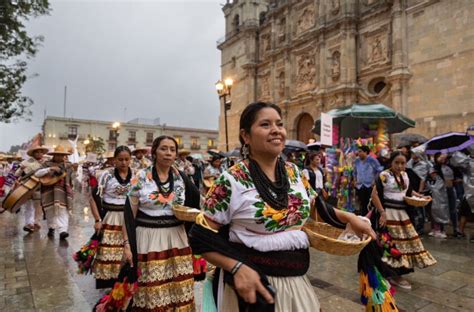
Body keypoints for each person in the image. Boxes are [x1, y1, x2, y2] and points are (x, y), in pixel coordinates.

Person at [190, 102, 375, 311]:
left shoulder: (293, 172)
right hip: (255, 287)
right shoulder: (231, 180)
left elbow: (317, 208)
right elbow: (200, 236)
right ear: (246, 136)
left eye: (279, 124)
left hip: (296, 282)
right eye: (265, 124)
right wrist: (238, 268)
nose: (276, 130)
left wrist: (351, 218)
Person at [122, 136, 200, 311]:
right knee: (152, 289)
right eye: (164, 149)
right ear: (155, 152)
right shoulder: (141, 177)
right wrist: (127, 244)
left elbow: (197, 203)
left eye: (172, 150)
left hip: (177, 236)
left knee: (180, 288)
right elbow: (129, 214)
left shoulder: (181, 178)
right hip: (149, 238)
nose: (168, 153)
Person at [371, 151, 436, 290]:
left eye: (403, 163)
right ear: (391, 163)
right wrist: (382, 213)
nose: (400, 166)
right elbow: (374, 195)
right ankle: (391, 275)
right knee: (391, 245)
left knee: (404, 244)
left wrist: (420, 197)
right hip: (389, 214)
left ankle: (395, 274)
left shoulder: (405, 175)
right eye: (397, 163)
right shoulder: (384, 175)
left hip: (403, 214)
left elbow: (408, 192)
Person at [90, 146, 133, 289]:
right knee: (109, 251)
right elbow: (93, 198)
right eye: (120, 159)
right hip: (111, 218)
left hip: (129, 218)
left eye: (127, 159)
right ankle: (108, 283)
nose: (123, 163)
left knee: (127, 251)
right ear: (114, 160)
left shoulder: (136, 176)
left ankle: (124, 281)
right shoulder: (107, 175)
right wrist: (97, 220)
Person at [35, 146, 74, 240]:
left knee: (63, 211)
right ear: (54, 155)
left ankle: (62, 231)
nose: (60, 157)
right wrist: (50, 169)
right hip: (48, 191)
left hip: (63, 191)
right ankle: (51, 228)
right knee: (50, 211)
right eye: (58, 155)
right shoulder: (47, 164)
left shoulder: (68, 166)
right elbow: (37, 174)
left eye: (62, 155)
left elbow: (72, 178)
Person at [15, 146, 48, 232]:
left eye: (41, 152)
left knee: (39, 207)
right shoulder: (26, 162)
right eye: (37, 152)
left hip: (40, 187)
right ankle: (28, 224)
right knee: (28, 206)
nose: (39, 153)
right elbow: (17, 174)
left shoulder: (46, 163)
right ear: (33, 154)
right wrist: (21, 169)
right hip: (27, 186)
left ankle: (36, 222)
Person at [450, 149, 474, 238]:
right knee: (464, 212)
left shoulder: (467, 161)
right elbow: (457, 164)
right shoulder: (467, 161)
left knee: (464, 212)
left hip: (469, 192)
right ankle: (460, 230)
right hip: (468, 192)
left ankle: (460, 230)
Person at [354, 145, 382, 215]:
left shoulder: (372, 160)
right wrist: (355, 180)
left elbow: (379, 171)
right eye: (358, 151)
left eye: (360, 151)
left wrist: (375, 180)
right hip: (360, 185)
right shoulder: (357, 161)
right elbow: (355, 172)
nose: (358, 153)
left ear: (366, 152)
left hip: (370, 185)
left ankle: (370, 219)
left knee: (370, 204)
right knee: (362, 203)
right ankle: (363, 217)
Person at [406, 151, 430, 235]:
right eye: (412, 153)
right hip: (410, 189)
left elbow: (422, 179)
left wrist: (420, 191)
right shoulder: (409, 163)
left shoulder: (423, 165)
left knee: (420, 210)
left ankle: (420, 227)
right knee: (412, 210)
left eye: (415, 153)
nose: (414, 155)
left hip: (418, 190)